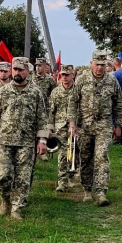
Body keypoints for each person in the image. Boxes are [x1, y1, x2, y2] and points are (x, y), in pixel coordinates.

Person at [0, 57, 48, 219]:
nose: (17, 72)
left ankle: (17, 208)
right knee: (3, 176)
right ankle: (5, 199)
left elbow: (42, 119)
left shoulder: (35, 93)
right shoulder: (2, 92)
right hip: (4, 141)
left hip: (26, 142)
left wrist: (42, 141)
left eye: (20, 69)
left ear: (27, 71)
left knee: (23, 177)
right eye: (15, 69)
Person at [68, 50, 122, 206]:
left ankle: (100, 192)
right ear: (91, 64)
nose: (99, 68)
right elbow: (73, 101)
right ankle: (87, 189)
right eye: (97, 64)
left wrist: (119, 125)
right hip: (84, 126)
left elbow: (119, 104)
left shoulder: (112, 81)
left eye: (102, 64)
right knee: (86, 158)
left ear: (107, 65)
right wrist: (72, 123)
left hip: (104, 125)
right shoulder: (82, 79)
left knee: (101, 157)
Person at [48, 64, 76, 192]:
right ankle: (62, 182)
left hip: (78, 126)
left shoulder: (79, 90)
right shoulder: (56, 92)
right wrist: (49, 128)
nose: (64, 77)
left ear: (73, 75)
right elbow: (51, 111)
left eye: (67, 75)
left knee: (79, 153)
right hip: (61, 127)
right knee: (63, 155)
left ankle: (75, 175)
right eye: (62, 75)